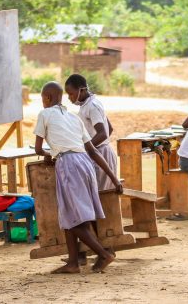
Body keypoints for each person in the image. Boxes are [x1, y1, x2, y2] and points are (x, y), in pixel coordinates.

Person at [33, 82, 122, 274]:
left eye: (42, 98)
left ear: (47, 98)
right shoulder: (74, 117)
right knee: (68, 214)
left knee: (75, 219)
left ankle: (104, 254)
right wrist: (114, 178)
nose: (42, 102)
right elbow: (92, 151)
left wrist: (49, 155)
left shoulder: (44, 114)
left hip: (68, 164)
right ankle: (73, 262)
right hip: (85, 163)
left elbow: (39, 148)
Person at [65, 74, 118, 191]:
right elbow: (109, 128)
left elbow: (103, 133)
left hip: (101, 154)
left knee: (101, 194)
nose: (69, 98)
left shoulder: (92, 106)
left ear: (82, 90)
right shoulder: (88, 104)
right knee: (99, 193)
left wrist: (86, 148)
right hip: (98, 152)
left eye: (71, 94)